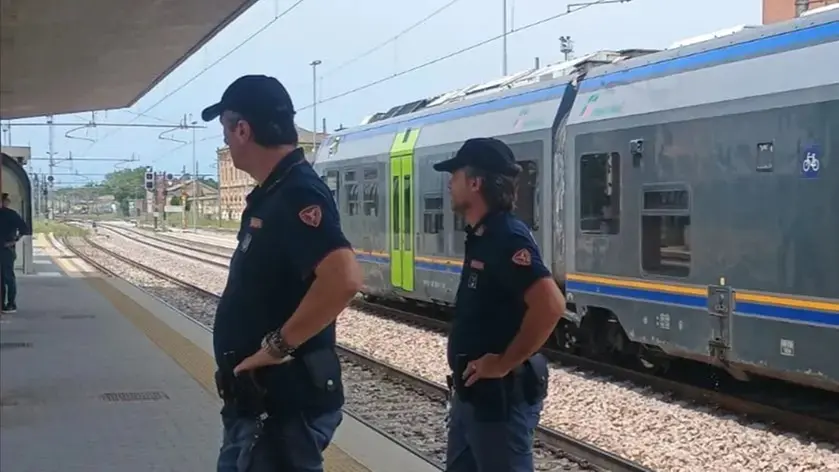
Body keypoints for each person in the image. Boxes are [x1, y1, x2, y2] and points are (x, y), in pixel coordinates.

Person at [201, 75, 363, 472]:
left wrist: (275, 346)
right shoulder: (276, 191)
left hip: (283, 407)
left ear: (243, 129)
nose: (225, 142)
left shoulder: (296, 193)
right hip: (264, 406)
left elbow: (343, 278)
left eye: (225, 130)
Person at [433, 138, 566, 472]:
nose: (449, 183)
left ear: (475, 183)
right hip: (473, 396)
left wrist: (504, 362)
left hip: (500, 399)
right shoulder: (483, 235)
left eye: (455, 174)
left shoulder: (507, 237)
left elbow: (550, 304)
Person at [0, 192, 30, 314]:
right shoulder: (11, 214)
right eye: (6, 200)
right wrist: (13, 241)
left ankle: (9, 303)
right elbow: (24, 229)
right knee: (7, 277)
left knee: (7, 277)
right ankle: (7, 304)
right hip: (7, 248)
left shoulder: (11, 214)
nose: (7, 202)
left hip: (6, 249)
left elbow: (24, 229)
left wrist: (13, 241)